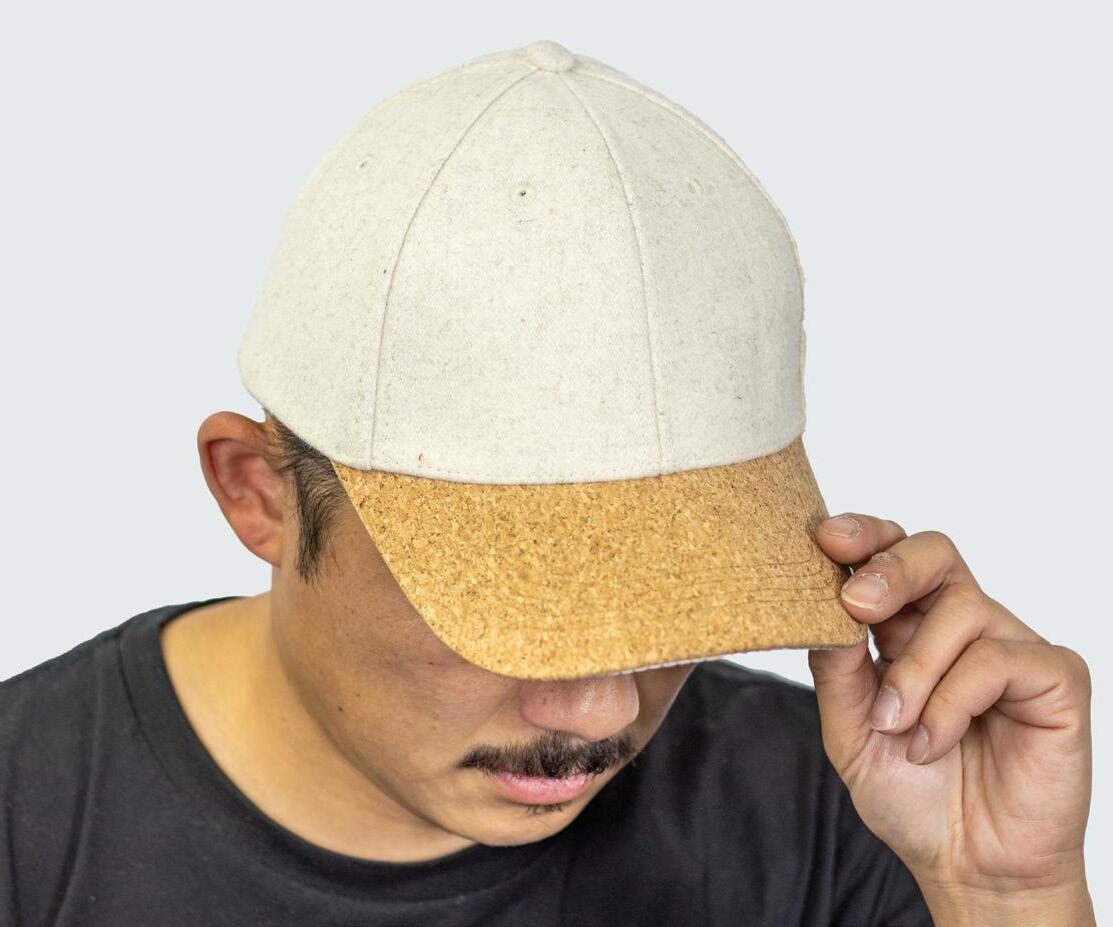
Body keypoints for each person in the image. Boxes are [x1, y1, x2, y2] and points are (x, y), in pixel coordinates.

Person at [1, 40, 1096, 926]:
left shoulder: (848, 808)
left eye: (678, 595)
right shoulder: (26, 824)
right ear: (260, 494)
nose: (601, 709)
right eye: (512, 605)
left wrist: (1006, 896)